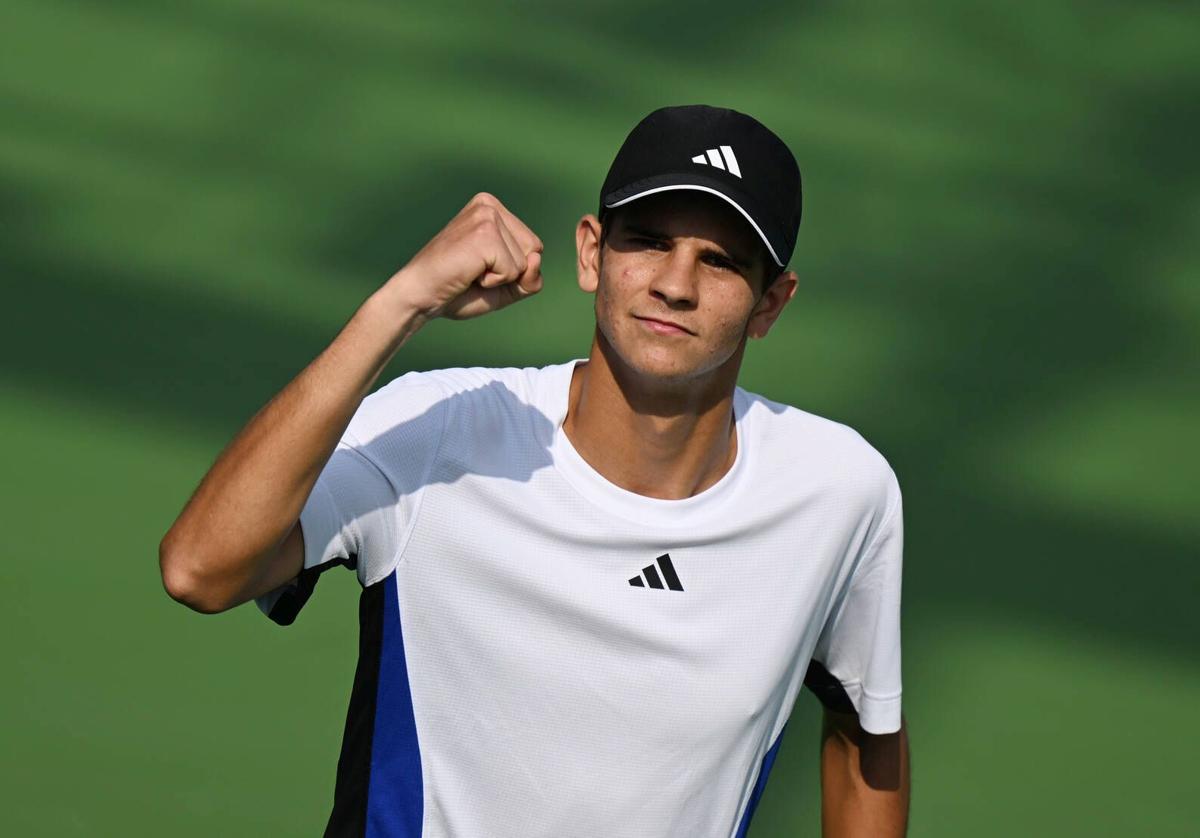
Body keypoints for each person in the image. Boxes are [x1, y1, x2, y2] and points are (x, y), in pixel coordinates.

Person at [160, 104, 910, 837]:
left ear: (770, 303)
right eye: (647, 242)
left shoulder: (840, 493)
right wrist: (402, 302)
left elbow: (864, 733)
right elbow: (201, 569)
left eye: (719, 262)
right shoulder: (438, 428)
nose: (675, 284)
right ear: (592, 252)